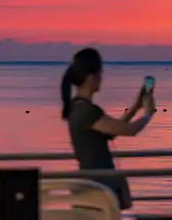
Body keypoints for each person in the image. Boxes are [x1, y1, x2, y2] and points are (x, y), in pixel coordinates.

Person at [61, 47, 156, 210]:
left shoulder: (78, 107)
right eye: (101, 74)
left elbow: (112, 131)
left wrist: (135, 107)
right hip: (98, 185)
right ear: (91, 77)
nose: (102, 79)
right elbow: (131, 130)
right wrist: (148, 114)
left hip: (93, 182)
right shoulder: (86, 111)